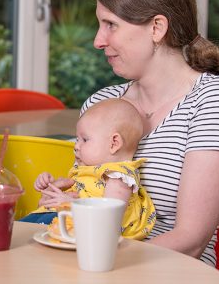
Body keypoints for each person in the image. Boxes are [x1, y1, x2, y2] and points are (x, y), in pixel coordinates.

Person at [47, 0, 219, 266]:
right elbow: (91, 199)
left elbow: (191, 240)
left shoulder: (210, 100)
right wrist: (69, 199)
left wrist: (104, 259)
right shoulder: (102, 105)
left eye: (110, 25)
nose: (98, 41)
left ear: (157, 27)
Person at [21, 98, 156, 240]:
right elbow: (78, 192)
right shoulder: (89, 166)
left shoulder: (119, 177)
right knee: (19, 231)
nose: (76, 146)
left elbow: (109, 215)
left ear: (114, 143)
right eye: (77, 139)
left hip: (81, 229)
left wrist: (70, 203)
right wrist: (51, 187)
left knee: (21, 237)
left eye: (84, 139)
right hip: (63, 220)